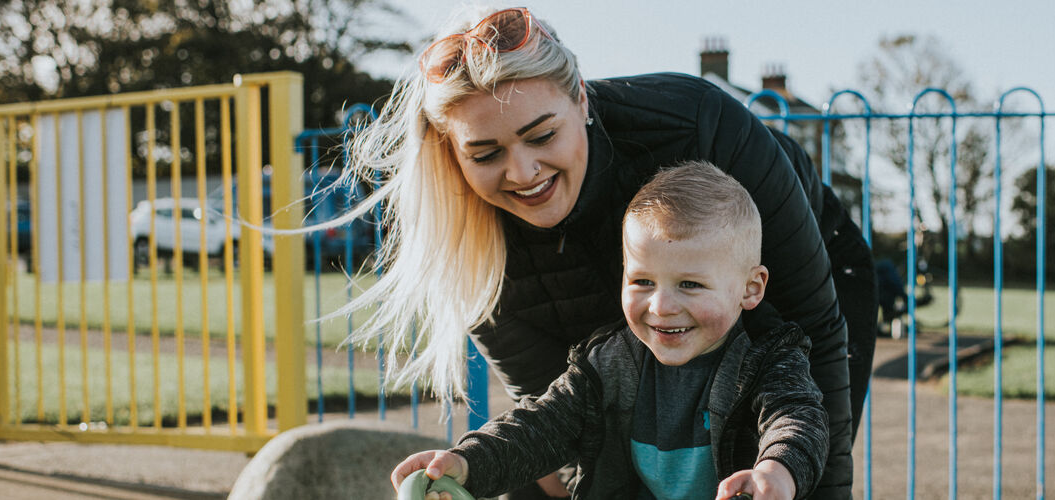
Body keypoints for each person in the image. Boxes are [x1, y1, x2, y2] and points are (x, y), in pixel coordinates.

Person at [336, 6, 874, 498]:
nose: (523, 173)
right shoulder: (471, 246)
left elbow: (810, 360)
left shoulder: (698, 124)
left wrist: (789, 478)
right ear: (454, 153)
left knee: (756, 460)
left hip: (799, 299)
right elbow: (555, 424)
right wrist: (469, 462)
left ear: (582, 100)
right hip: (616, 347)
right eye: (486, 152)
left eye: (542, 136)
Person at [391, 162, 828, 500]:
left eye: (690, 284)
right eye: (642, 282)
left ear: (750, 289)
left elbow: (797, 417)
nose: (660, 306)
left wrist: (776, 470)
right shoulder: (608, 363)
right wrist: (466, 462)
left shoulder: (767, 358)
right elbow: (540, 426)